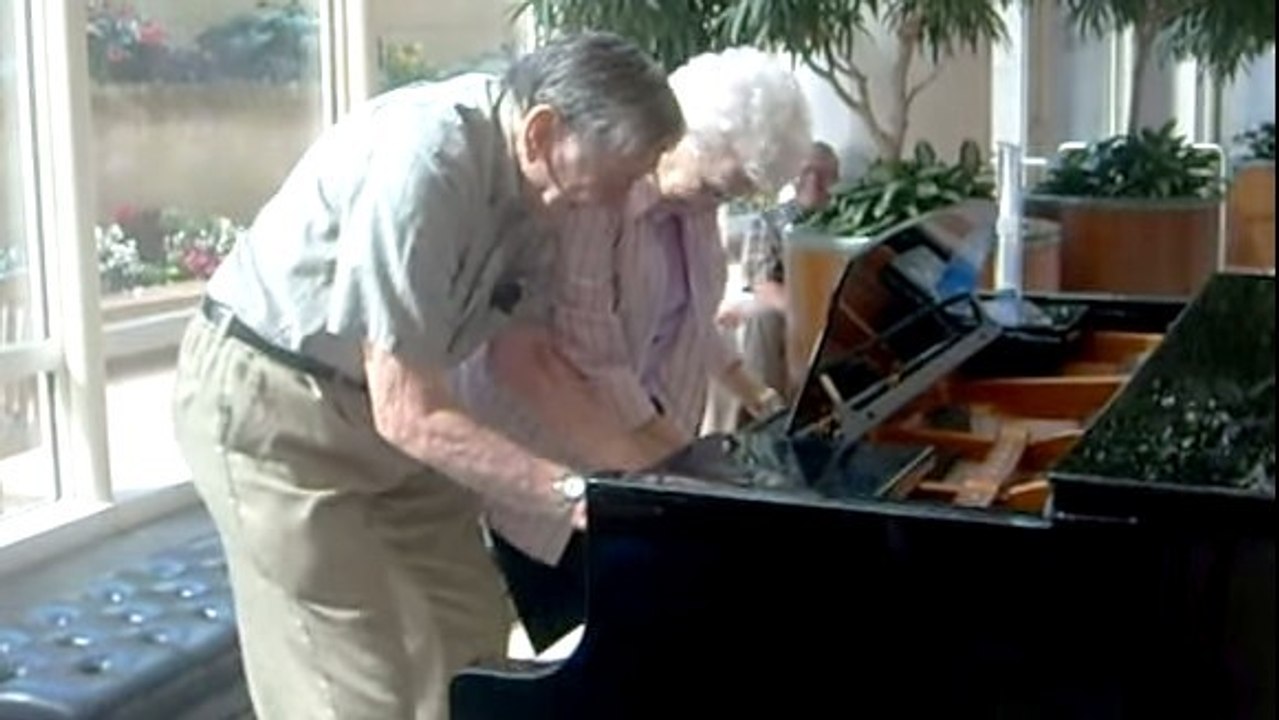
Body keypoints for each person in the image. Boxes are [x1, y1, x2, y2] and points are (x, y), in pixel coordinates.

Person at [171, 32, 684, 720]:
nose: (622, 206)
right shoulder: (425, 160)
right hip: (274, 405)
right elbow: (407, 409)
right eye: (619, 179)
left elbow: (526, 361)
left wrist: (661, 480)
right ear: (542, 132)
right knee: (356, 679)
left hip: (387, 413)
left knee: (468, 628)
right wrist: (569, 493)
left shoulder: (547, 192)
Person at [453, 46, 813, 565]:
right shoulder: (594, 197)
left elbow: (693, 325)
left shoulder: (694, 211)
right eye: (713, 187)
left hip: (633, 454)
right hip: (553, 453)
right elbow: (593, 354)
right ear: (676, 135)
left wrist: (757, 396)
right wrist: (677, 466)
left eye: (729, 197)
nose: (712, 206)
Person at [705, 141, 841, 431]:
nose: (814, 181)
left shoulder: (846, 218)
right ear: (794, 176)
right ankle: (772, 420)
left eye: (823, 173)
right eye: (806, 172)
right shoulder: (769, 222)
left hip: (840, 305)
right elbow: (763, 285)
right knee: (763, 318)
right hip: (787, 304)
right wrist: (809, 311)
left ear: (836, 178)